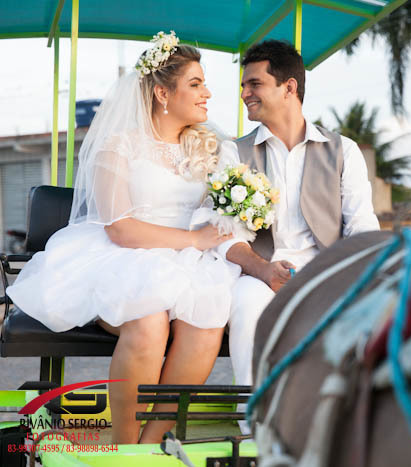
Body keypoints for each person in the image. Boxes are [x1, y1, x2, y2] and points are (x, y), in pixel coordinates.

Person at [6, 32, 238, 444]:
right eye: (196, 84)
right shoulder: (119, 147)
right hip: (124, 254)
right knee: (149, 321)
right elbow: (120, 229)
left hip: (188, 261)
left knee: (207, 320)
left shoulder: (209, 149)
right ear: (163, 93)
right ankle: (125, 445)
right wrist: (194, 240)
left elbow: (221, 212)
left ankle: (149, 446)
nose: (207, 93)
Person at [215, 40, 380, 391]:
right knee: (247, 308)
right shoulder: (234, 152)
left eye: (254, 84)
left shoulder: (344, 151)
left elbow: (362, 228)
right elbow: (224, 235)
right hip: (258, 275)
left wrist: (339, 276)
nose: (244, 94)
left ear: (289, 87)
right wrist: (263, 270)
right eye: (243, 85)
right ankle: (252, 415)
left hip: (326, 273)